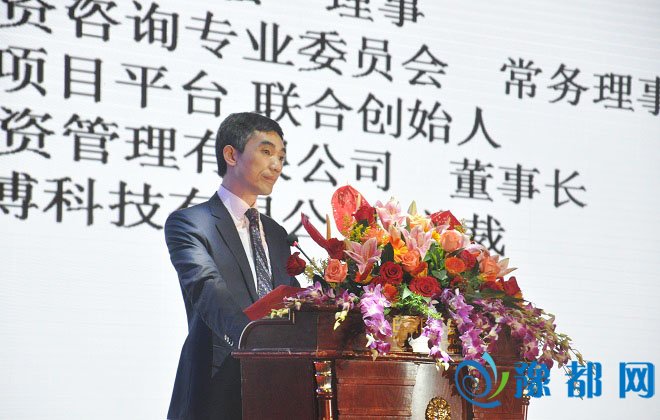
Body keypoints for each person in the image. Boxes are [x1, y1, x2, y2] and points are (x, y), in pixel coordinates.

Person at [164, 112, 300, 420]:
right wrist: (256, 344)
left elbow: (291, 303)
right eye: (266, 151)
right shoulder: (190, 223)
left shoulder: (277, 234)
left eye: (281, 157)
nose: (276, 165)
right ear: (231, 154)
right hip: (214, 388)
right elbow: (208, 290)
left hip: (277, 391)